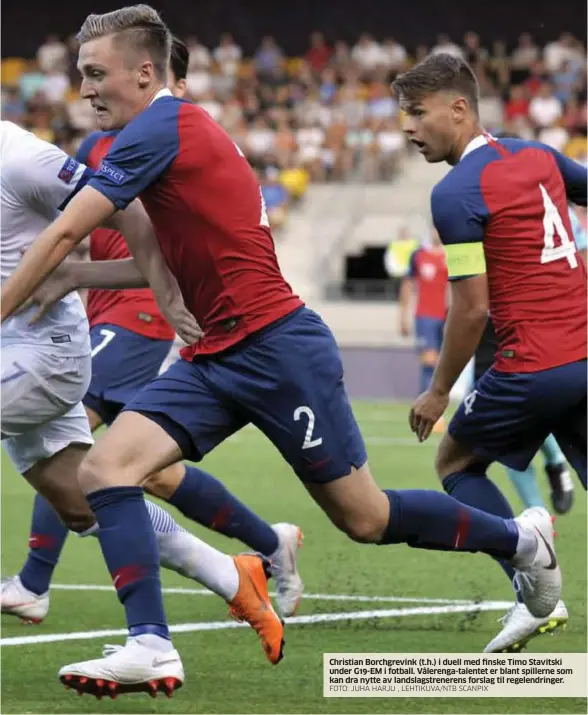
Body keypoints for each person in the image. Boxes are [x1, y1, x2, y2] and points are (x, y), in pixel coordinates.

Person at [2, 7, 562, 696]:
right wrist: (77, 276)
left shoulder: (161, 125)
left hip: (276, 347)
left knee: (365, 517)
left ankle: (520, 539)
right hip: (217, 352)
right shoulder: (169, 129)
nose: (84, 89)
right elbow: (159, 250)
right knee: (108, 469)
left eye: (96, 74)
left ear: (144, 73)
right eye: (80, 74)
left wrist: (49, 272)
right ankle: (151, 642)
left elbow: (62, 232)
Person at [1, 39, 303, 641]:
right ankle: (236, 568)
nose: (90, 92)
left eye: (97, 76)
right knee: (91, 487)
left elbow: (141, 228)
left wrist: (164, 294)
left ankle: (37, 587)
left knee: (118, 462)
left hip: (82, 332)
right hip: (70, 316)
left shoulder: (26, 155)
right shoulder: (97, 148)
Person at [392, 52, 586, 653]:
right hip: (583, 356)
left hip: (529, 368)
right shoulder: (537, 155)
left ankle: (534, 589)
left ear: (459, 109)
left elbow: (471, 310)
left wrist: (436, 390)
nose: (408, 128)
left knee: (454, 463)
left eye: (418, 113)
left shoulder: (456, 193)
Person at [399, 227, 448, 432]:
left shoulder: (451, 255)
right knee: (429, 363)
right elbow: (407, 286)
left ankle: (434, 410)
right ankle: (427, 415)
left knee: (441, 365)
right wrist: (403, 316)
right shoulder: (418, 255)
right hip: (425, 316)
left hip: (447, 317)